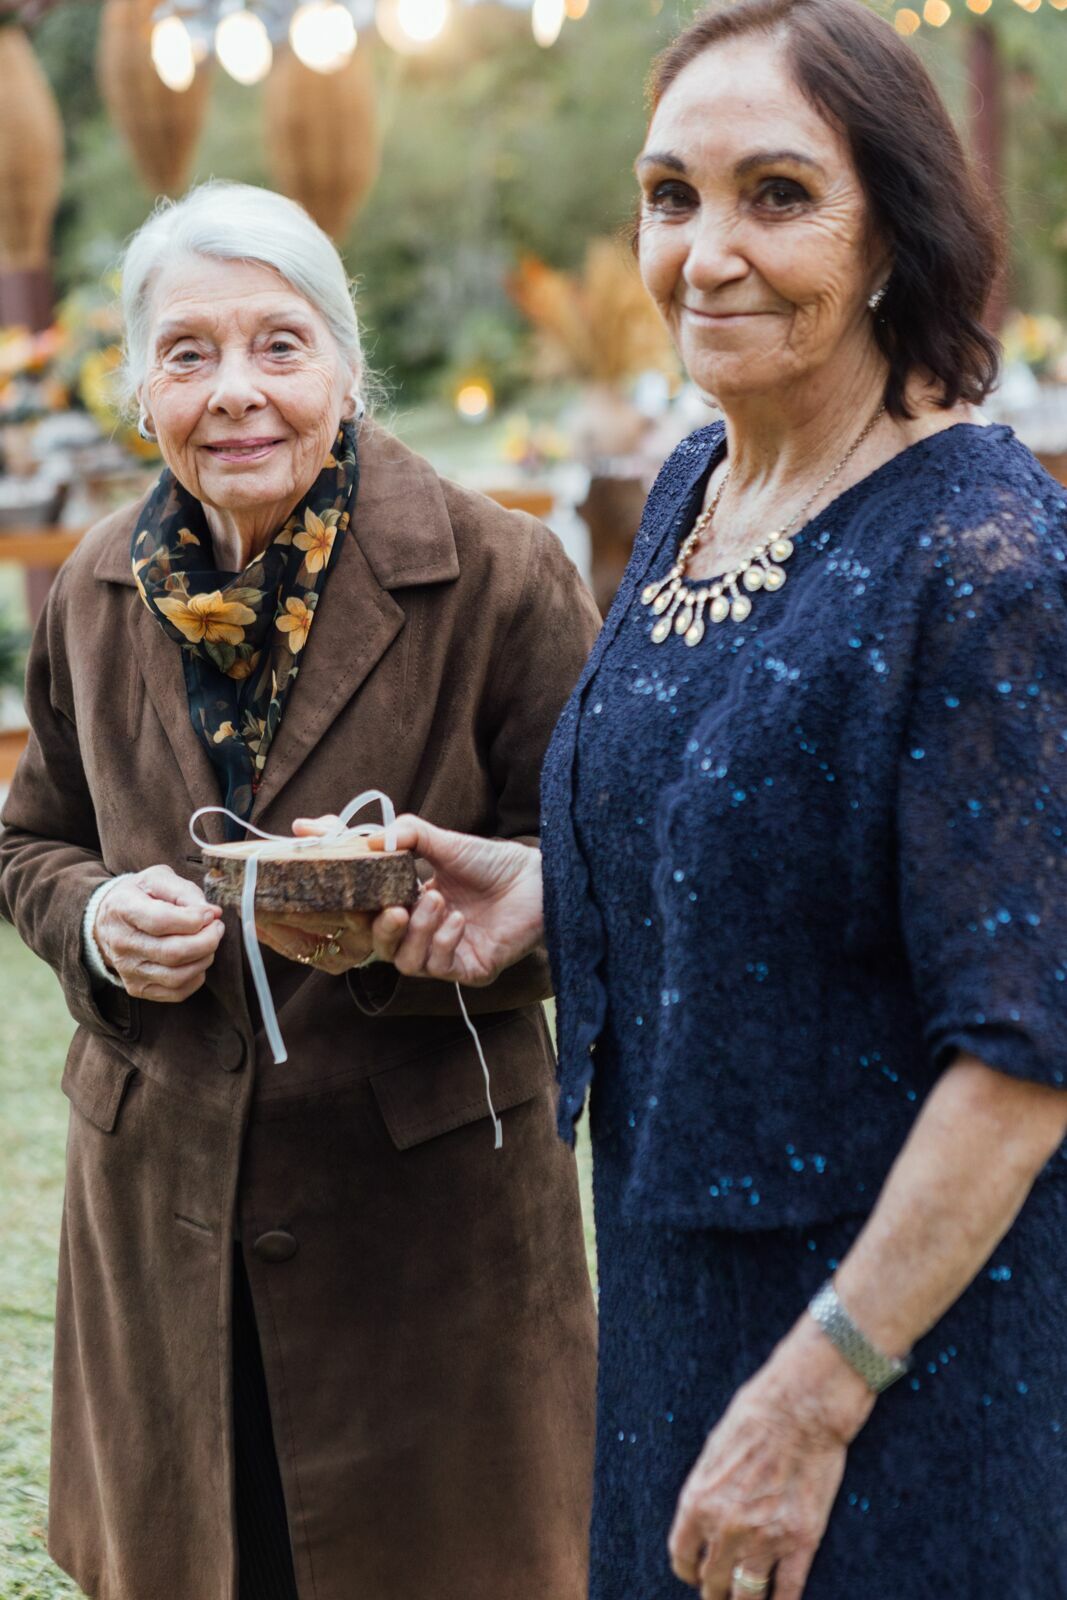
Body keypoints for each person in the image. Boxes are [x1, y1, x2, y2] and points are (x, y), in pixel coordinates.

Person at [349, 4, 1067, 1596]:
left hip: (892, 1360)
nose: (708, 252)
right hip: (677, 1298)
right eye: (672, 196)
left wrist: (814, 1403)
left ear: (894, 235)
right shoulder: (698, 483)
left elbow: (1026, 1060)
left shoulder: (983, 564)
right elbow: (754, 815)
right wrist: (557, 885)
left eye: (779, 195)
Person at [0, 181, 599, 1600]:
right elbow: (31, 841)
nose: (236, 391)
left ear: (345, 362)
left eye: (280, 343)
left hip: (425, 1231)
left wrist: (445, 923)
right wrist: (95, 921)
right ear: (140, 387)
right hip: (163, 1216)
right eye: (188, 352)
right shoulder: (92, 588)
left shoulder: (504, 577)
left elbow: (599, 871)